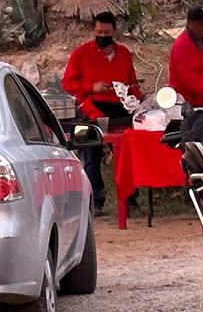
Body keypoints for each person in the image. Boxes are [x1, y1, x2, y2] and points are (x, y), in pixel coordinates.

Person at [61, 11, 142, 215]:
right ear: (93, 31)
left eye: (106, 32)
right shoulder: (80, 54)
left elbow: (132, 84)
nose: (102, 35)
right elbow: (67, 84)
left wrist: (137, 100)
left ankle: (131, 199)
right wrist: (92, 86)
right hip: (88, 109)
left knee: (126, 156)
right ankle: (94, 201)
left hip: (119, 110)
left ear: (114, 32)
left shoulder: (123, 53)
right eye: (98, 31)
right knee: (91, 156)